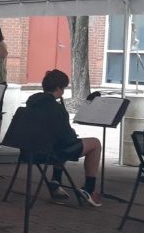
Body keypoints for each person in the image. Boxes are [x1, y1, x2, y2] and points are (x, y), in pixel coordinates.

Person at [26, 69, 102, 207]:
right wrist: (72, 135)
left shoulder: (31, 103)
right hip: (50, 152)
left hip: (32, 150)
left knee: (57, 143)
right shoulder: (56, 108)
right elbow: (67, 140)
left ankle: (56, 182)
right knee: (95, 143)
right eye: (63, 88)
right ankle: (89, 190)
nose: (63, 92)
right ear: (57, 88)